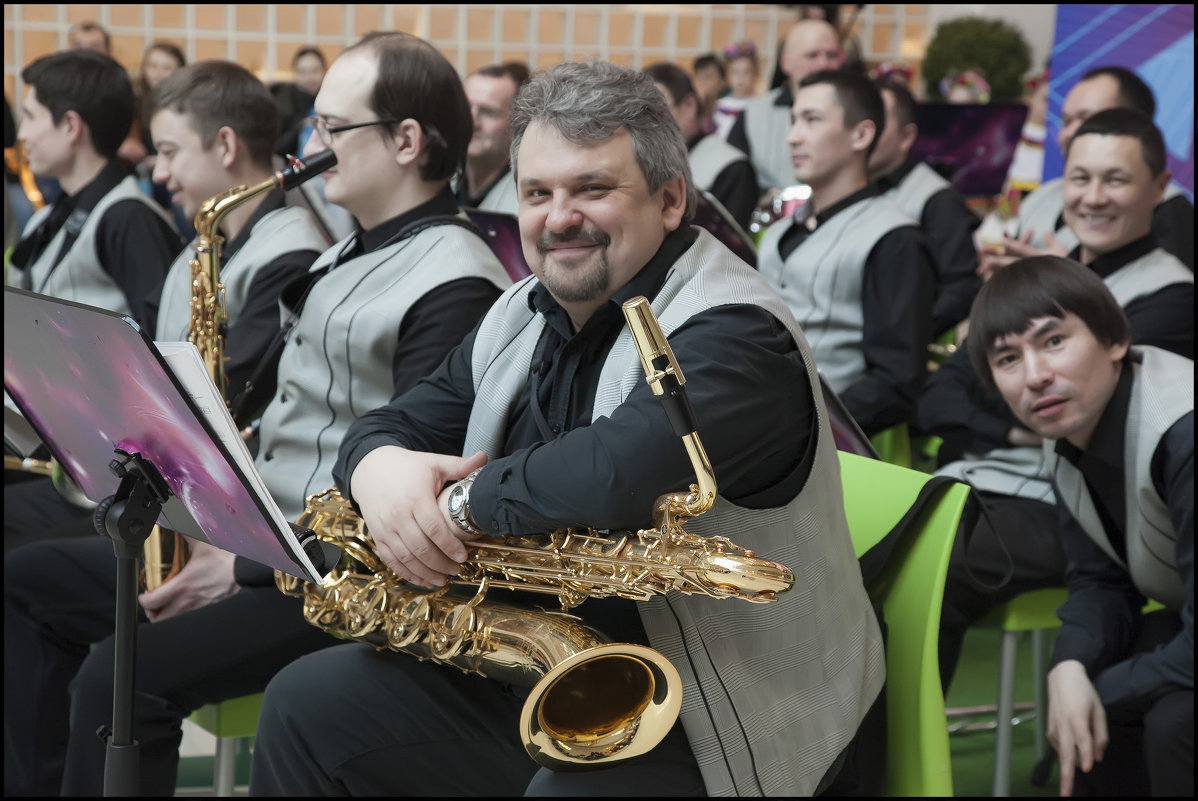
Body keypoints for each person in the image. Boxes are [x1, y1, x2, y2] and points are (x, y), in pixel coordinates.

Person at [248, 58, 885, 798]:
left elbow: (616, 471)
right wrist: (377, 471)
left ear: (670, 198)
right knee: (305, 704)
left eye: (593, 188)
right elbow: (398, 420)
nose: (559, 217)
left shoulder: (739, 331)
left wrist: (444, 509)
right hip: (565, 664)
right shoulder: (520, 310)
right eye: (537, 192)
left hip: (743, 712)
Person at [3, 31, 512, 796]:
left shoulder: (455, 280)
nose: (312, 145)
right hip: (266, 541)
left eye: (334, 130)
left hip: (332, 573)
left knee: (121, 675)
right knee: (27, 582)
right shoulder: (348, 253)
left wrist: (238, 567)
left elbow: (410, 485)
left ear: (406, 141)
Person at [3, 58, 331, 552]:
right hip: (166, 500)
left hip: (221, 524)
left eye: (170, 152)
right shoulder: (203, 243)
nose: (158, 172)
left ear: (224, 145)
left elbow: (224, 402)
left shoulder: (290, 254)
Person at [923, 107, 1193, 693]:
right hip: (999, 481)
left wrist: (1004, 416)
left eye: (1114, 180)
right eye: (1079, 178)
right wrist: (1023, 430)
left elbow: (1095, 414)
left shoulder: (1170, 294)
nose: (1093, 198)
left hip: (1080, 506)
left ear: (1160, 188)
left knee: (933, 561)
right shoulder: (1041, 277)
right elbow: (940, 395)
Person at [967, 256, 1192, 797]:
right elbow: (1099, 578)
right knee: (1092, 683)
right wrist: (1070, 667)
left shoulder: (1183, 432)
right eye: (1007, 358)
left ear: (1115, 340)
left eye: (1052, 342)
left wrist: (1102, 688)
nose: (1036, 374)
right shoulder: (1070, 429)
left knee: (1172, 724)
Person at [757, 68, 936, 438]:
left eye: (811, 120)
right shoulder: (780, 232)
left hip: (844, 443)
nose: (793, 137)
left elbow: (897, 381)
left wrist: (803, 428)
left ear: (861, 134)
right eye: (793, 120)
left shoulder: (893, 237)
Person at [7, 50, 181, 328]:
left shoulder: (129, 219)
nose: (22, 134)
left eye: (30, 117)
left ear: (71, 126)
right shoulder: (55, 214)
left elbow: (159, 344)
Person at [979, 65, 1194, 276]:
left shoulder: (1169, 208)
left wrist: (1065, 277)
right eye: (1066, 121)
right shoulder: (1042, 195)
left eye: (1087, 119)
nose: (1069, 133)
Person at [869, 74, 982, 338]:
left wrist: (909, 335)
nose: (865, 132)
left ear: (906, 136)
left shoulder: (937, 198)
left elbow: (962, 287)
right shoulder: (848, 187)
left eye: (878, 122)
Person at [728, 18, 844, 195]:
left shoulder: (855, 111)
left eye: (831, 55)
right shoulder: (753, 114)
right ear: (785, 63)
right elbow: (734, 183)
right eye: (812, 55)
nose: (823, 64)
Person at [644, 61, 758, 231]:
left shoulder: (732, 167)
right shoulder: (648, 159)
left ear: (689, 105)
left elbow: (732, 246)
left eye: (655, 111)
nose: (647, 124)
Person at [454, 61, 529, 214]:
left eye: (488, 112)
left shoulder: (527, 198)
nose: (472, 122)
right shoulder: (435, 181)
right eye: (465, 108)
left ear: (518, 123)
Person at [271, 46, 326, 159]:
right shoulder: (281, 103)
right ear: (294, 73)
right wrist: (301, 126)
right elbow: (276, 148)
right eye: (302, 71)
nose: (309, 77)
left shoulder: (332, 103)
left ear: (324, 71)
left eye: (314, 70)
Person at [710, 40, 760, 140]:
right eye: (735, 72)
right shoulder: (721, 105)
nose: (740, 78)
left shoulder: (759, 104)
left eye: (746, 72)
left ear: (755, 74)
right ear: (727, 75)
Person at [690, 52, 726, 133]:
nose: (702, 81)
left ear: (722, 82)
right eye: (698, 76)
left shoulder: (726, 110)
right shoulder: (688, 109)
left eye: (708, 77)